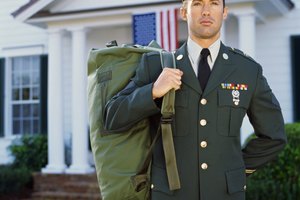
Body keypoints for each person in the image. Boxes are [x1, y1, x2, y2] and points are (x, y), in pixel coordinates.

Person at [104, 0, 287, 199]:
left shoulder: (247, 70)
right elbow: (112, 117)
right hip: (170, 194)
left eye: (214, 3)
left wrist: (236, 169)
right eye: (198, 3)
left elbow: (274, 136)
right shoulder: (155, 65)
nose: (207, 11)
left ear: (224, 12)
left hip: (225, 194)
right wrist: (153, 91)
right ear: (184, 12)